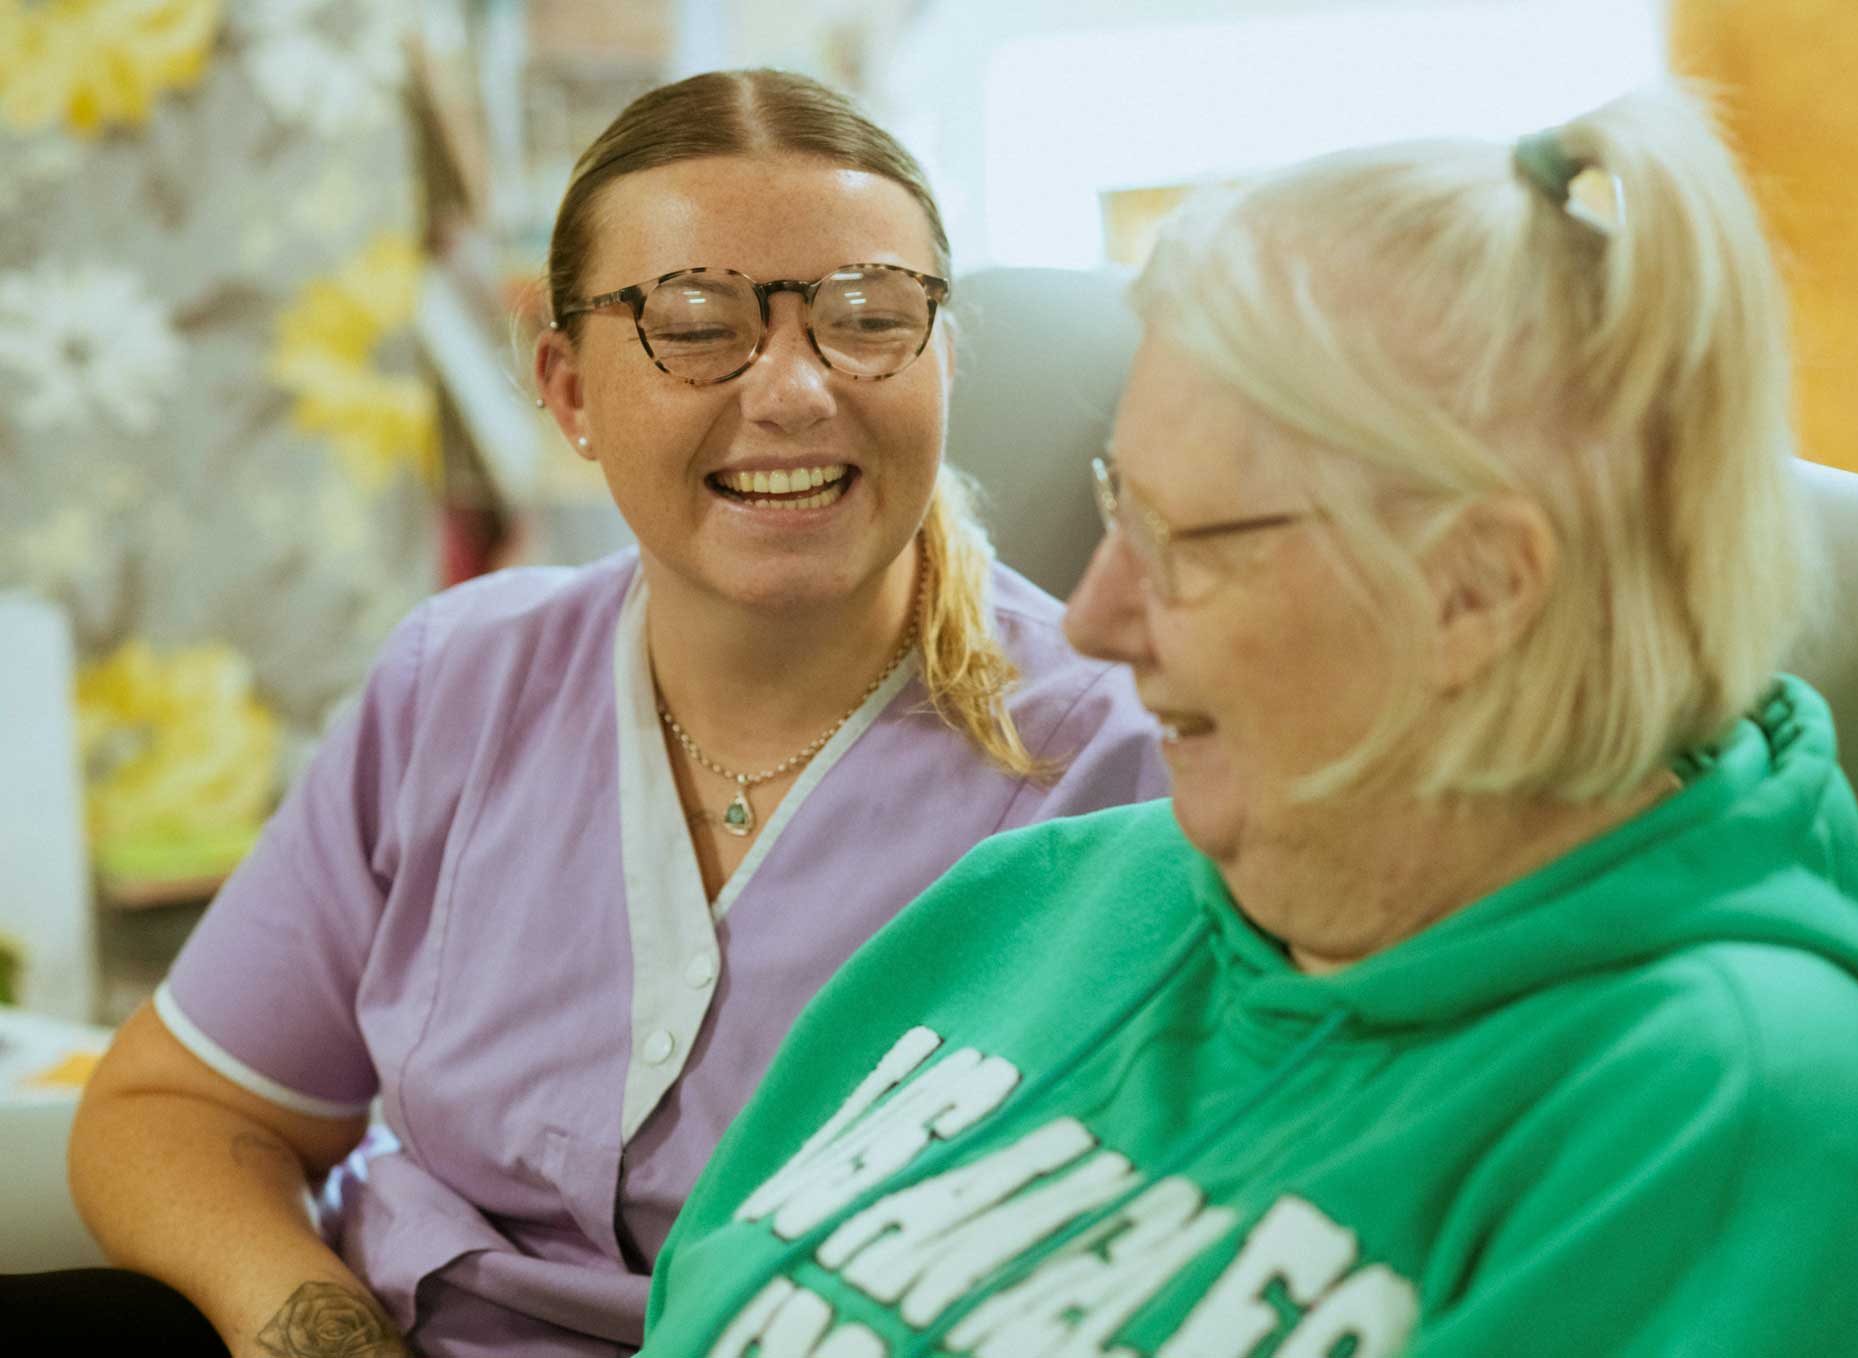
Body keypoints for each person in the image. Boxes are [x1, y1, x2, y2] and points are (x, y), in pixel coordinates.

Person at [632, 85, 1858, 1356]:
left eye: (1184, 545)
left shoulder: (1715, 1121)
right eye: (1114, 509)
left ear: (1472, 588)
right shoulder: (1045, 896)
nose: (1094, 619)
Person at [55, 70, 1166, 1358]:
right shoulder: (458, 683)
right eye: (694, 326)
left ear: (945, 362)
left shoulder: (1122, 774)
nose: (798, 391)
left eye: (869, 318)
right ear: (568, 388)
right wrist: (311, 1328)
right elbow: (177, 1105)